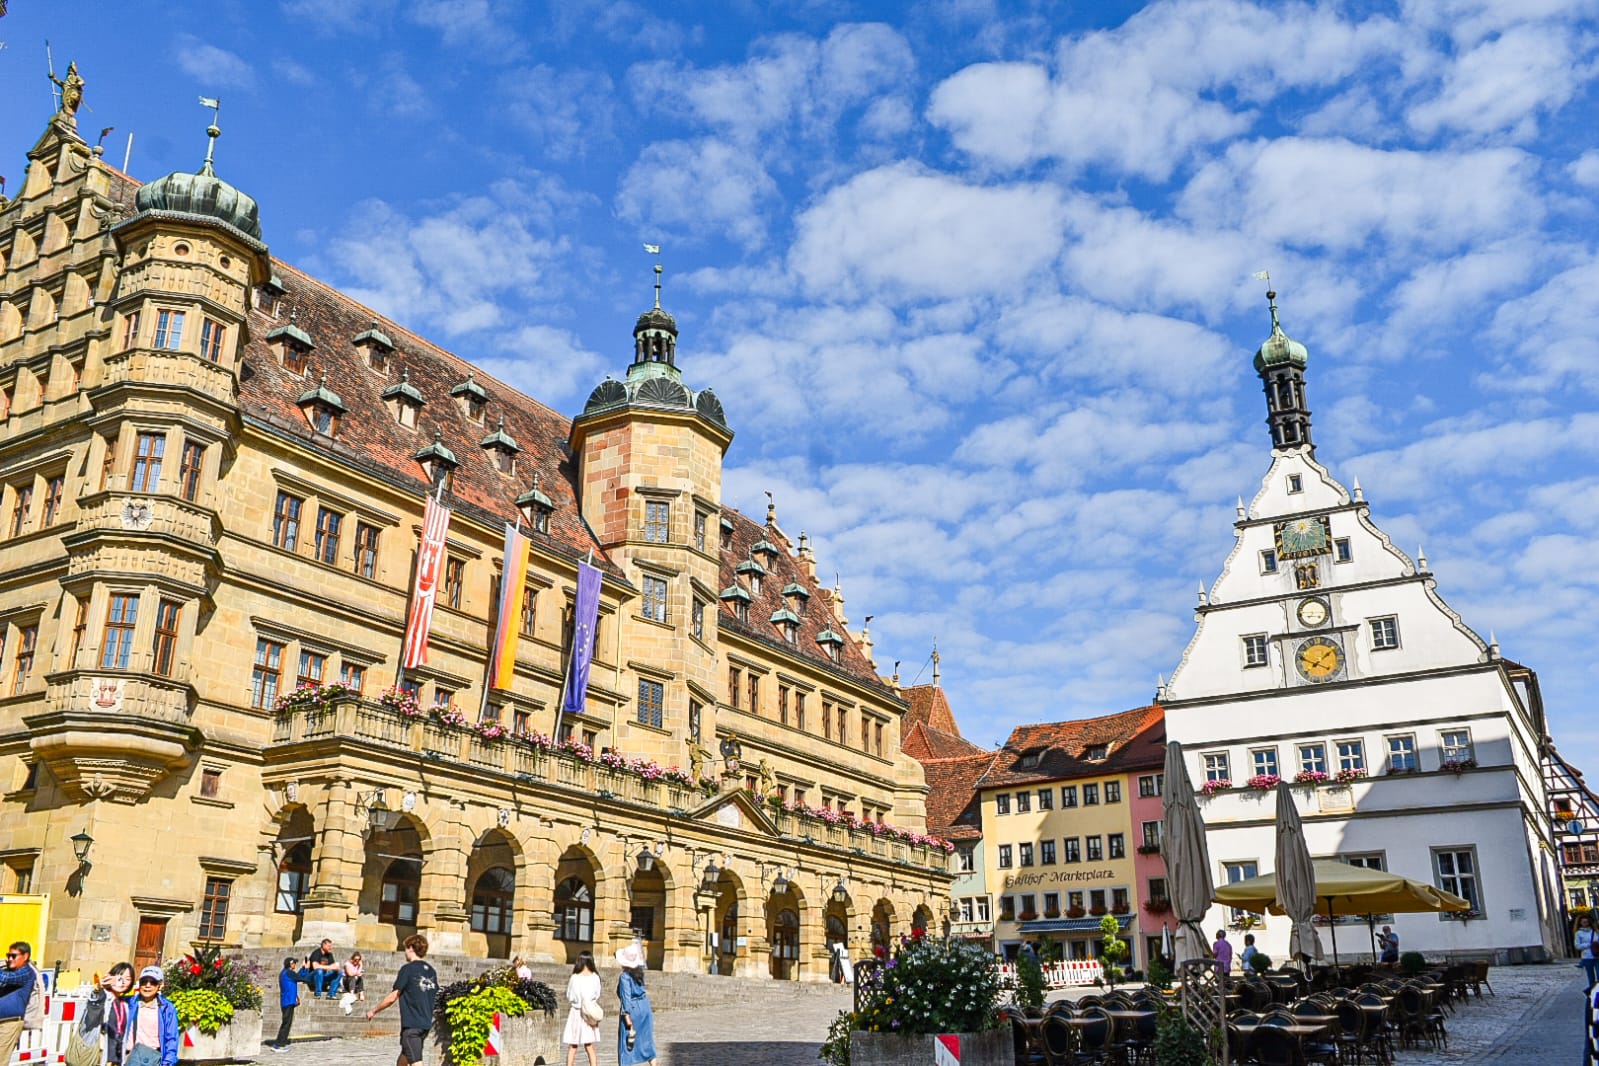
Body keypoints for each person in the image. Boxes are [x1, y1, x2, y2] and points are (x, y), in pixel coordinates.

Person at [366, 934, 438, 1066]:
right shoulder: (431, 971)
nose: (405, 952)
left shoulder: (408, 969)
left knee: (416, 1062)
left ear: (411, 948)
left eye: (405, 948)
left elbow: (393, 996)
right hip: (425, 1024)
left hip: (412, 1026)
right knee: (405, 1057)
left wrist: (374, 1011)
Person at [122, 966, 178, 1066]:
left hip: (152, 1059)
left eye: (153, 982)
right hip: (128, 1057)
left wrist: (167, 1063)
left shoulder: (167, 1008)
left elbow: (171, 1039)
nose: (147, 985)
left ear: (160, 985)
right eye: (144, 982)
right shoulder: (129, 1003)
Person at [615, 941, 657, 1066]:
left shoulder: (624, 977)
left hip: (633, 1008)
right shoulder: (639, 974)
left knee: (627, 1044)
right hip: (645, 1006)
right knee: (647, 1041)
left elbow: (626, 997)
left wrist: (627, 1016)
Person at [84, 963, 134, 1066]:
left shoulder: (124, 1004)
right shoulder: (103, 998)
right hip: (98, 1058)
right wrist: (98, 989)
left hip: (116, 1059)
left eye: (127, 979)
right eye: (119, 977)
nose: (122, 982)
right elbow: (93, 1005)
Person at [0, 940, 40, 1066]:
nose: (9, 959)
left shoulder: (26, 972)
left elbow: (6, 978)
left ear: (25, 956)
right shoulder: (7, 970)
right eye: (8, 955)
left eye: (13, 956)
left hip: (10, 1023)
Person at [563, 951, 602, 1066]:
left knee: (573, 1045)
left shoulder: (575, 978)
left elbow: (569, 995)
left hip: (576, 1013)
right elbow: (597, 994)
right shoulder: (595, 977)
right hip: (588, 1012)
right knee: (589, 1045)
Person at [268, 958, 299, 1052]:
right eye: (294, 963)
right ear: (290, 964)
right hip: (287, 1001)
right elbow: (301, 977)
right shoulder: (288, 972)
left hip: (288, 1000)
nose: (295, 965)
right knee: (286, 1024)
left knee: (286, 1023)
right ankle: (279, 1045)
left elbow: (291, 984)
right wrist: (305, 969)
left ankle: (280, 1043)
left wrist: (296, 997)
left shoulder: (285, 972)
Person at [1576, 914, 1598, 988]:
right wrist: (1589, 945)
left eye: (1587, 922)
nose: (1586, 923)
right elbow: (1577, 946)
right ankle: (1593, 993)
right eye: (1584, 922)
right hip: (1587, 957)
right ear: (1580, 923)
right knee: (1591, 978)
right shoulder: (1578, 933)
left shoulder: (1595, 932)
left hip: (1597, 956)